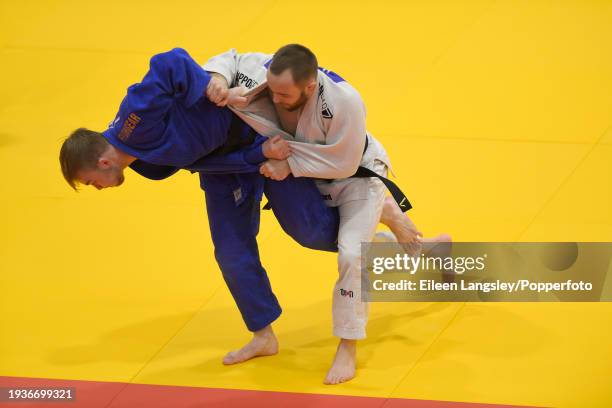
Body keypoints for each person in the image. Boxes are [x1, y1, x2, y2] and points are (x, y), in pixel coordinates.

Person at [59, 47, 428, 377]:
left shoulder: (132, 120)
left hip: (257, 132)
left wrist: (210, 84)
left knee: (310, 230)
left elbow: (169, 62)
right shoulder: (133, 156)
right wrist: (253, 159)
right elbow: (201, 158)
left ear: (104, 161)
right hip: (232, 163)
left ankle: (380, 209)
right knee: (231, 254)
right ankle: (264, 336)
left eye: (91, 182)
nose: (98, 188)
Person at [202, 44, 451, 384]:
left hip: (358, 178)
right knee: (313, 237)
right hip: (314, 180)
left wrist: (287, 162)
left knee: (351, 254)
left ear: (309, 86)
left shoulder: (344, 101)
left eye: (283, 94)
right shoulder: (267, 73)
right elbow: (229, 58)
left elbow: (344, 162)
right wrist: (216, 77)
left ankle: (347, 348)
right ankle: (426, 245)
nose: (274, 99)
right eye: (272, 90)